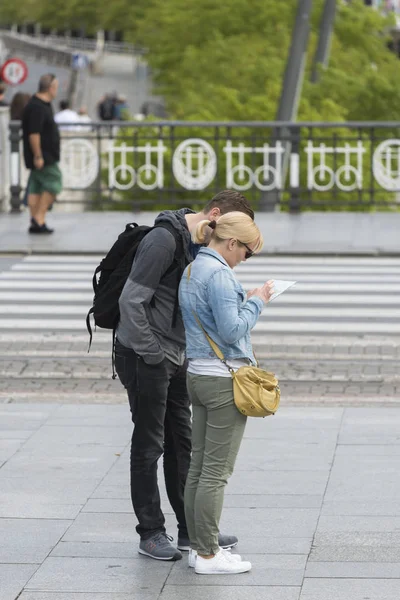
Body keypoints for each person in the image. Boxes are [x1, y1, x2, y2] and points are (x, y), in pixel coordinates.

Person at [114, 190, 254, 562]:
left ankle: (192, 530)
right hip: (145, 354)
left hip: (177, 357)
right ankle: (151, 532)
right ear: (215, 215)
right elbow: (131, 302)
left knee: (183, 442)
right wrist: (155, 354)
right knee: (149, 444)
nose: (228, 242)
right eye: (226, 231)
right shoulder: (162, 240)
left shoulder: (197, 245)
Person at [178, 212, 274, 575]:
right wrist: (258, 300)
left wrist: (244, 299)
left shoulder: (194, 267)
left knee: (199, 469)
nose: (245, 259)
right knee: (215, 473)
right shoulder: (219, 274)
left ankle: (200, 548)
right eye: (247, 253)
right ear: (231, 243)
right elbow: (232, 331)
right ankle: (207, 555)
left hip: (199, 376)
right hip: (223, 381)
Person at [22, 74, 61, 234]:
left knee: (36, 187)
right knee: (54, 182)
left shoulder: (41, 104)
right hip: (43, 157)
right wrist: (38, 155)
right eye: (56, 87)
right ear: (50, 88)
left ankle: (35, 222)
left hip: (42, 155)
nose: (57, 91)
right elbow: (34, 134)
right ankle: (39, 218)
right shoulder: (38, 107)